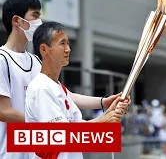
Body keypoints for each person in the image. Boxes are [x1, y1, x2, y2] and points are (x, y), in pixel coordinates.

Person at [0, 0, 129, 158]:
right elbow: (3, 111)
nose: (39, 21)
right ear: (16, 20)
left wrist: (103, 102)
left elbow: (61, 96)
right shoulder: (2, 59)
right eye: (35, 15)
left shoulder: (34, 60)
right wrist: (45, 120)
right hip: (11, 152)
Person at [25, 21, 129, 159]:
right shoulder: (40, 88)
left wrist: (108, 111)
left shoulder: (58, 87)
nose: (68, 49)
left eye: (68, 43)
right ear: (44, 49)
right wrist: (103, 120)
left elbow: (78, 127)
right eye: (62, 43)